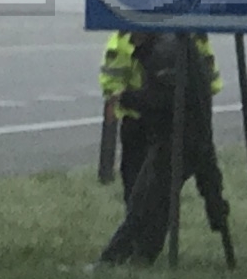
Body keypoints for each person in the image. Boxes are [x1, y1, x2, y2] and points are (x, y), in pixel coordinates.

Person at [96, 28, 236, 265]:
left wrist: (127, 98)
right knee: (150, 195)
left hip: (177, 134)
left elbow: (162, 99)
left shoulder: (165, 50)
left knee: (145, 199)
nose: (130, 41)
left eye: (134, 37)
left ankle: (116, 258)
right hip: (179, 131)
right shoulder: (167, 45)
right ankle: (137, 256)